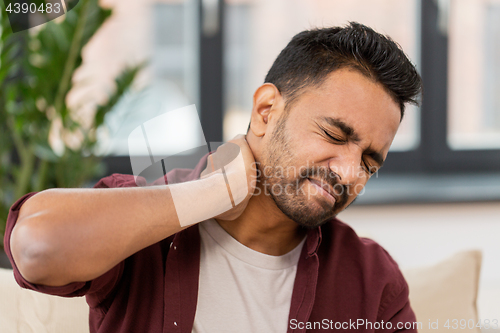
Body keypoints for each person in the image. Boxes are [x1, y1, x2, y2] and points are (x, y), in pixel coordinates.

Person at [5, 22, 422, 333]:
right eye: (334, 134)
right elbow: (36, 248)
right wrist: (216, 191)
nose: (349, 172)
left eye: (369, 161)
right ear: (265, 111)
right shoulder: (142, 219)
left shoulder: (374, 280)